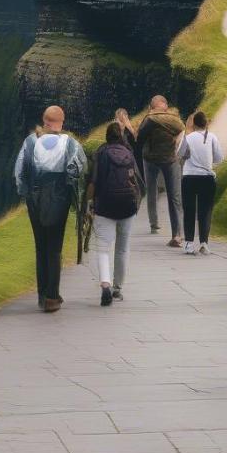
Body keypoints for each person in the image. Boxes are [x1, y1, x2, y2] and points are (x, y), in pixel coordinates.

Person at [14, 105, 87, 313]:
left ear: (44, 121)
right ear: (61, 122)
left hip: (35, 197)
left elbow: (19, 172)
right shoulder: (70, 144)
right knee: (55, 248)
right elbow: (79, 168)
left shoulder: (30, 142)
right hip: (59, 196)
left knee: (40, 246)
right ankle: (52, 297)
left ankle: (41, 293)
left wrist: (26, 194)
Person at [88, 122, 143, 306]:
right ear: (121, 135)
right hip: (127, 206)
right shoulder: (128, 153)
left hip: (105, 205)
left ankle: (105, 284)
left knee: (103, 248)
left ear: (106, 136)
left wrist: (89, 203)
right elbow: (137, 180)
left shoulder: (101, 154)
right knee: (122, 248)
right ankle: (117, 288)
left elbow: (93, 182)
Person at [136, 95, 185, 245]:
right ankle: (177, 234)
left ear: (152, 107)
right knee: (175, 196)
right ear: (165, 106)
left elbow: (140, 139)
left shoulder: (149, 119)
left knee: (151, 190)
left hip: (150, 159)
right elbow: (182, 134)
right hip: (171, 159)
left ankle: (154, 222)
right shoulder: (175, 119)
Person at [178, 111, 224, 255]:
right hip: (207, 177)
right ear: (206, 123)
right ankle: (204, 242)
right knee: (205, 211)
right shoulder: (212, 138)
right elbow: (219, 158)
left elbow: (180, 155)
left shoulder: (188, 137)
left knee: (189, 210)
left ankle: (189, 244)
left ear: (194, 123)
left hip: (189, 177)